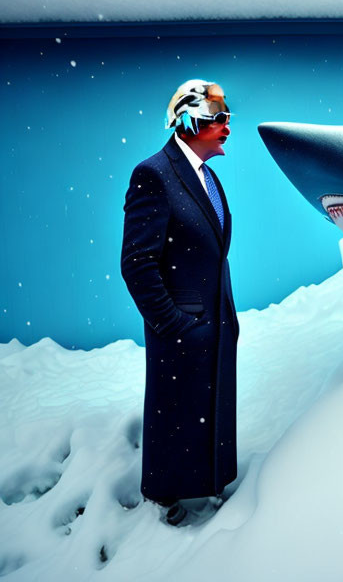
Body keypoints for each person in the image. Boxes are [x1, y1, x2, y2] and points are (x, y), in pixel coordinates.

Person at [120, 79, 239, 526]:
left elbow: (213, 252)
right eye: (218, 117)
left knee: (210, 412)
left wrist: (225, 318)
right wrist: (173, 324)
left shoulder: (207, 177)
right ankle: (164, 499)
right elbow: (137, 262)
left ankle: (208, 486)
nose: (228, 125)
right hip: (183, 331)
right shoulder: (154, 174)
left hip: (216, 326)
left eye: (228, 116)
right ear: (189, 120)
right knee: (175, 414)